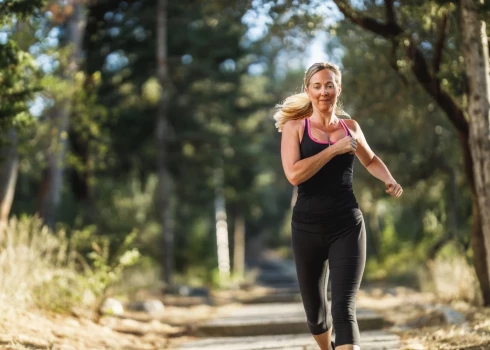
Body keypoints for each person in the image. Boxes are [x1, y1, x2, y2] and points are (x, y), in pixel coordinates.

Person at [274, 62, 403, 350]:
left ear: (338, 88)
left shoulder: (351, 127)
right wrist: (334, 150)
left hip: (347, 224)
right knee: (316, 315)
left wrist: (389, 179)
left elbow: (369, 159)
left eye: (329, 85)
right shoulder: (295, 128)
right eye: (317, 86)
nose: (324, 92)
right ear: (308, 90)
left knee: (344, 308)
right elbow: (294, 174)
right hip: (306, 228)